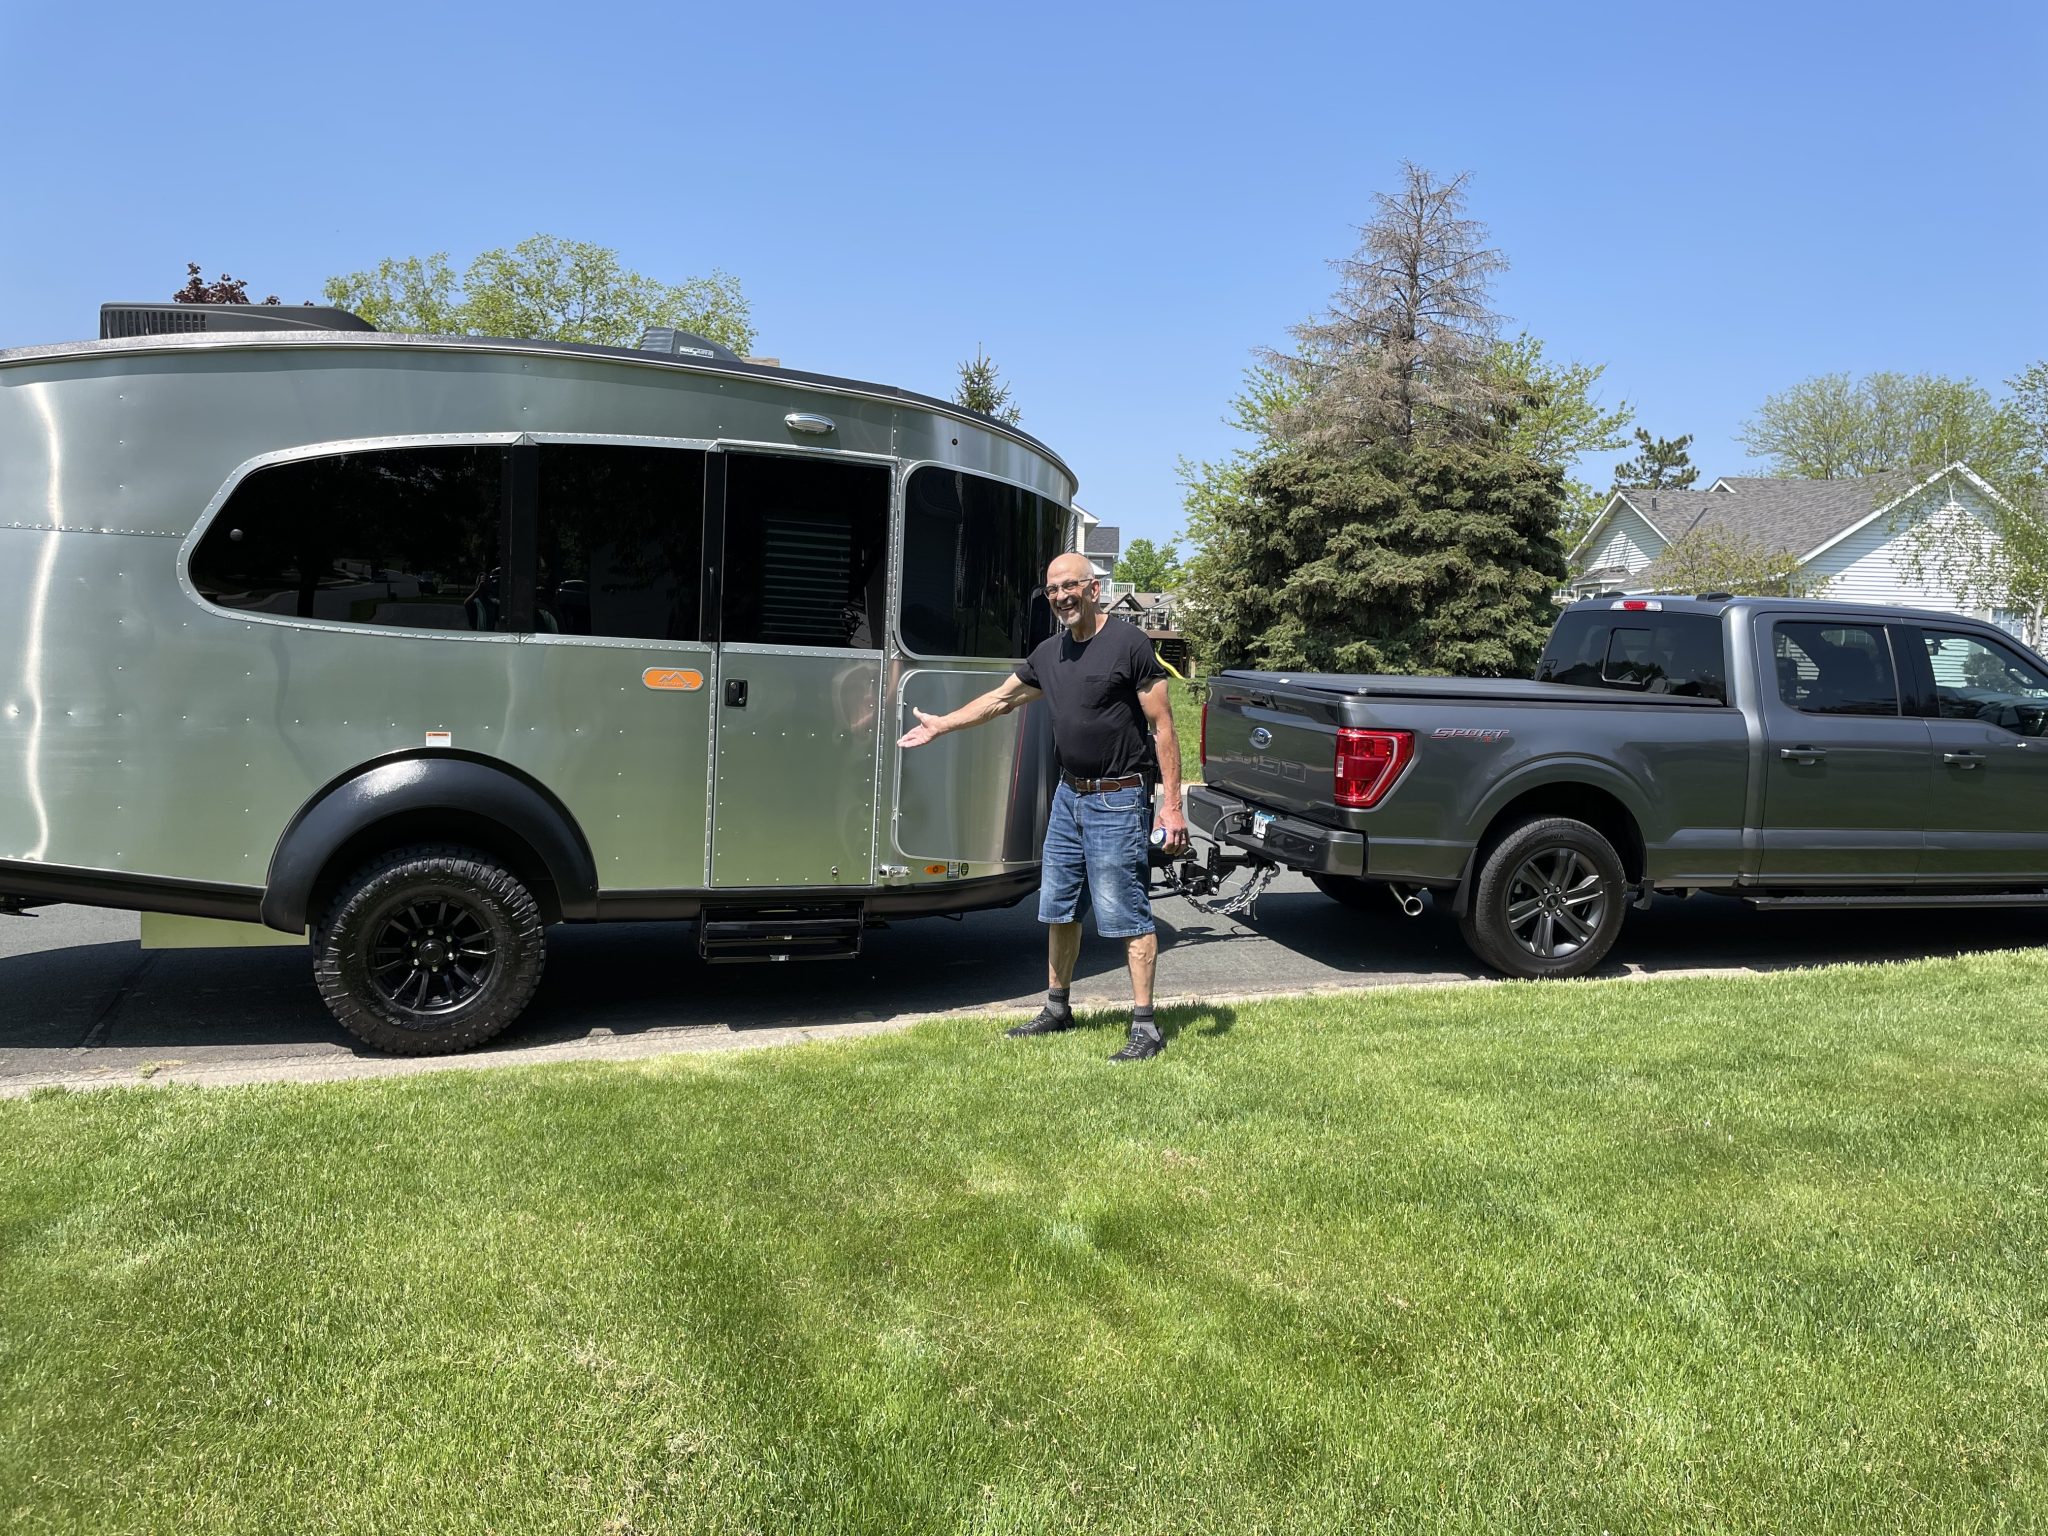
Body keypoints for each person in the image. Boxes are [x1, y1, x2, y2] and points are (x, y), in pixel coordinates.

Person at [897, 553, 1189, 1061]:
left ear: (1093, 589)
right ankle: (1057, 1008)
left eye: (1069, 586)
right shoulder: (1049, 653)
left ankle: (1145, 1026)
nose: (1060, 597)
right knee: (1059, 907)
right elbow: (999, 700)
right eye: (1052, 590)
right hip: (1069, 797)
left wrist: (1172, 807)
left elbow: (1163, 726)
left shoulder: (1129, 644)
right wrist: (942, 725)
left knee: (1127, 912)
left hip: (1119, 797)